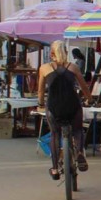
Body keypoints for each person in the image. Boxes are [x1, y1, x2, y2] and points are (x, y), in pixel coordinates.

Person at [38, 41, 91, 180]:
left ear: (51, 54)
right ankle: (79, 153)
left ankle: (55, 169)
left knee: (55, 134)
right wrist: (90, 99)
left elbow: (41, 89)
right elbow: (84, 87)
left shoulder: (44, 68)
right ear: (66, 53)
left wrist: (40, 103)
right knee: (78, 130)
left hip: (54, 106)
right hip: (72, 104)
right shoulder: (73, 67)